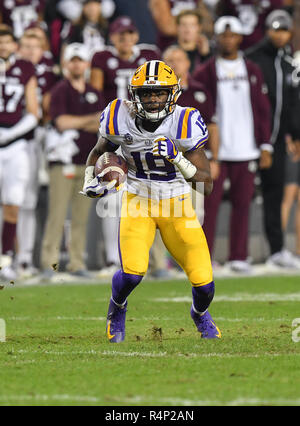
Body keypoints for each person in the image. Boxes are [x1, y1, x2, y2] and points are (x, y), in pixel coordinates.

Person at [82, 60, 222, 341]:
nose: (155, 99)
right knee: (132, 273)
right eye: (147, 93)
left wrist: (178, 158)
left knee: (205, 284)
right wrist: (91, 182)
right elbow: (98, 152)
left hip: (177, 203)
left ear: (173, 93)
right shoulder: (117, 115)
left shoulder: (184, 121)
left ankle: (199, 313)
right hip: (138, 200)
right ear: (136, 94)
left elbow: (206, 185)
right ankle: (117, 308)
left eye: (160, 93)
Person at [193, 16, 273, 273]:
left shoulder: (252, 70)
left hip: (246, 148)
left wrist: (265, 145)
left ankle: (239, 256)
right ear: (216, 38)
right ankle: (203, 258)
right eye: (223, 35)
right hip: (216, 151)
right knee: (210, 206)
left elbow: (262, 110)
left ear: (239, 38)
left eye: (232, 35)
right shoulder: (205, 72)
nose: (228, 40)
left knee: (243, 203)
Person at [40, 43, 104, 280]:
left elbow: (101, 125)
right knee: (57, 215)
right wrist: (87, 120)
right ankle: (49, 263)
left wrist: (78, 121)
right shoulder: (60, 91)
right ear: (66, 63)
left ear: (86, 64)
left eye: (81, 60)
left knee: (80, 217)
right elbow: (61, 122)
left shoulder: (94, 92)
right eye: (73, 60)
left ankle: (77, 263)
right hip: (63, 161)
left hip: (88, 162)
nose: (77, 64)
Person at [246, 9, 300, 268]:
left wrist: (296, 134)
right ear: (267, 30)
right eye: (275, 29)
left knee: (274, 196)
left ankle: (276, 251)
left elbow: (291, 104)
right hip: (248, 141)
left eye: (284, 29)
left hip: (277, 140)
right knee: (241, 196)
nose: (279, 35)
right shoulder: (252, 59)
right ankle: (237, 253)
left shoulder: (288, 62)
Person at [17, 31, 59, 277]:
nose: (31, 50)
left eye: (36, 46)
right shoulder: (10, 72)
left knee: (29, 201)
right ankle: (13, 258)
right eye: (26, 45)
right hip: (17, 137)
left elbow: (49, 106)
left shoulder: (49, 74)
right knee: (14, 200)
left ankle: (24, 259)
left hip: (40, 136)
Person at [0, 26, 39, 280]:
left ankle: (6, 261)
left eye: (6, 42)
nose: (3, 46)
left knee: (13, 204)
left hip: (15, 145)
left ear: (15, 45)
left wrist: (9, 134)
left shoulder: (25, 68)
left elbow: (34, 112)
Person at [90, 16, 160, 104]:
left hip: (143, 113)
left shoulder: (150, 54)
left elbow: (158, 87)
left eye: (130, 32)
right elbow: (96, 94)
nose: (126, 37)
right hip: (112, 114)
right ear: (112, 37)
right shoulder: (101, 57)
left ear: (136, 36)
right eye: (121, 33)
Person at [216, 0, 285, 50]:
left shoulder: (274, 3)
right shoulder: (228, 3)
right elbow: (222, 19)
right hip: (234, 48)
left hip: (263, 49)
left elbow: (279, 21)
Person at [149, 0, 214, 52]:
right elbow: (167, 27)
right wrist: (191, 31)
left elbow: (208, 25)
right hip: (168, 49)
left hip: (195, 51)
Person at [281, 137, 300, 263]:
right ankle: (279, 248)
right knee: (287, 201)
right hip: (293, 151)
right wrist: (288, 141)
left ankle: (298, 250)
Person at [176, 9, 212, 73]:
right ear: (177, 27)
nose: (187, 29)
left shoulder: (208, 52)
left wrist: (206, 55)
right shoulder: (169, 53)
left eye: (192, 25)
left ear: (199, 28)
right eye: (184, 25)